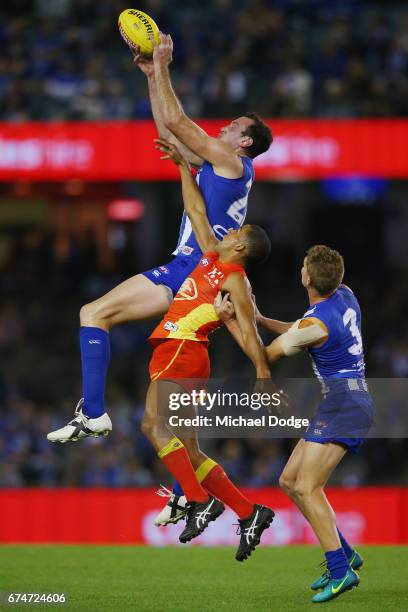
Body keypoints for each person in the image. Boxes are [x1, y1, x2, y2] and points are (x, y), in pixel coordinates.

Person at [47, 32, 272, 444]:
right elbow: (170, 139)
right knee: (96, 317)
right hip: (194, 273)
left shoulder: (232, 162)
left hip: (192, 269)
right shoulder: (219, 165)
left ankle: (96, 414)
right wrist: (152, 77)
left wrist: (164, 65)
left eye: (234, 126)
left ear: (245, 142)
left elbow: (176, 122)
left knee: (96, 316)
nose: (224, 126)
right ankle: (96, 416)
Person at [138, 139, 274, 559]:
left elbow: (248, 329)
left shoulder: (235, 278)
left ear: (242, 247)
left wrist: (262, 371)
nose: (227, 230)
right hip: (186, 354)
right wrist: (183, 167)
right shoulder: (213, 255)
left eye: (235, 231)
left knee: (152, 427)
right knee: (189, 447)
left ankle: (198, 501)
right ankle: (249, 512)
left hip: (183, 347)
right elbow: (196, 211)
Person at [219, 245, 373, 601]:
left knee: (307, 486)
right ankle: (346, 553)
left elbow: (264, 355)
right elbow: (302, 329)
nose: (301, 267)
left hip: (345, 405)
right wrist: (260, 318)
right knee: (289, 480)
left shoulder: (313, 324)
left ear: (306, 277)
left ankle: (340, 570)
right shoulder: (345, 296)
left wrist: (230, 320)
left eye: (303, 265)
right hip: (343, 400)